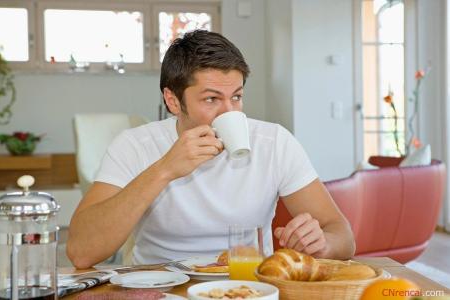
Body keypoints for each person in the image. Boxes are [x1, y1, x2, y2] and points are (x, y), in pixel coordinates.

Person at [67, 30, 355, 268]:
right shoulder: (134, 146)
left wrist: (322, 243)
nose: (229, 111)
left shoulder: (275, 142)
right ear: (173, 101)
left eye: (237, 96)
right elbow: (81, 251)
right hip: (164, 288)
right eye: (211, 99)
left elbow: (342, 235)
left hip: (249, 286)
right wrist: (165, 169)